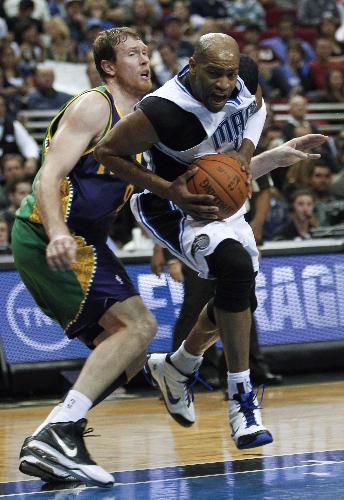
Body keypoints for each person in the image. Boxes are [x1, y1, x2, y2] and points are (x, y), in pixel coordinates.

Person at [94, 32, 327, 449]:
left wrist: (251, 155)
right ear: (192, 66)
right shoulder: (163, 110)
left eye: (231, 74)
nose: (225, 84)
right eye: (215, 74)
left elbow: (256, 108)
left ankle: (178, 365)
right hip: (177, 204)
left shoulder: (244, 77)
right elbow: (106, 153)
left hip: (224, 196)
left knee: (240, 298)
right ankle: (241, 400)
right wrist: (170, 190)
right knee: (235, 271)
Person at [12, 26, 164, 488]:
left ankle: (55, 441)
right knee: (139, 327)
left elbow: (173, 191)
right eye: (133, 54)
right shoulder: (94, 105)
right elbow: (48, 176)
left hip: (86, 240)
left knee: (130, 355)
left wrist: (264, 162)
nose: (145, 59)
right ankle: (60, 431)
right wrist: (57, 232)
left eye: (146, 52)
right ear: (108, 67)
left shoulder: (145, 119)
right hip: (49, 234)